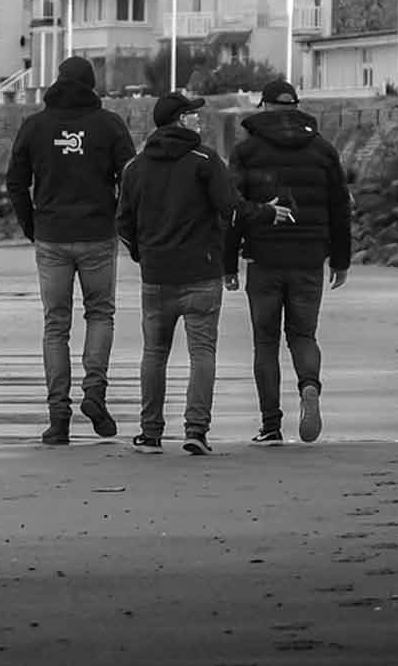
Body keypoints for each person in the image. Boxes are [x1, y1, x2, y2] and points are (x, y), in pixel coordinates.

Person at [117, 92, 293, 455]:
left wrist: (143, 255)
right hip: (201, 272)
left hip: (157, 276)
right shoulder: (204, 160)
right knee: (202, 353)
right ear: (180, 120)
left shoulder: (135, 167)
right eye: (193, 115)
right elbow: (231, 207)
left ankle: (150, 433)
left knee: (154, 353)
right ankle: (196, 430)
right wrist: (265, 213)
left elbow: (123, 223)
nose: (199, 120)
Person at [6, 56, 136, 445]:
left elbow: (16, 183)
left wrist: (32, 225)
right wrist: (119, 221)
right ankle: (94, 391)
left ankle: (58, 416)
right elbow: (131, 180)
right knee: (100, 314)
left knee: (55, 325)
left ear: (57, 82)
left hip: (51, 235)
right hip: (97, 233)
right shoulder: (109, 124)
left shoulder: (35, 126)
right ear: (91, 84)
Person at [223, 79, 351, 446]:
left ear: (263, 106)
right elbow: (340, 207)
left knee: (265, 342)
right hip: (310, 258)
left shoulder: (246, 151)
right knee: (303, 335)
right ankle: (309, 386)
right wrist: (340, 260)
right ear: (297, 107)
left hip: (264, 258)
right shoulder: (323, 150)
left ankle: (271, 426)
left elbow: (234, 210)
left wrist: (228, 265)